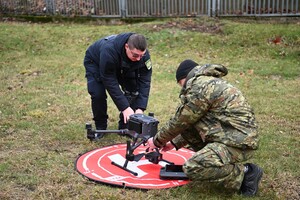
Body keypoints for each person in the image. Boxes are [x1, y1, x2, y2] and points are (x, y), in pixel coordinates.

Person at [148, 59, 263, 196]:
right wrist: (173, 142)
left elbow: (181, 120)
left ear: (184, 78)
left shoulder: (200, 87)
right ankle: (217, 162)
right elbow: (192, 124)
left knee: (193, 167)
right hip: (233, 135)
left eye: (180, 84)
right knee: (193, 129)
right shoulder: (207, 83)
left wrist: (157, 141)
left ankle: (245, 173)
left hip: (238, 142)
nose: (182, 88)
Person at [83, 33, 152, 137]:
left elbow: (145, 81)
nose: (139, 59)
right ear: (126, 47)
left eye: (141, 55)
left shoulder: (143, 56)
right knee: (98, 94)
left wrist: (140, 107)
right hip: (96, 62)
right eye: (135, 55)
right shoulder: (109, 50)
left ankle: (126, 125)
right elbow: (109, 81)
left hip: (122, 64)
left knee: (132, 89)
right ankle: (100, 127)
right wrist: (124, 107)